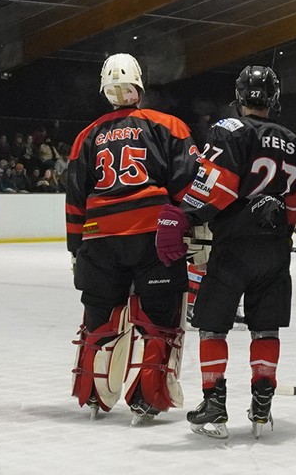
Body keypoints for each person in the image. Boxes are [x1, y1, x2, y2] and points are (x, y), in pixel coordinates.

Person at [155, 66, 296, 439]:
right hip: (274, 250)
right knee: (265, 327)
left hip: (233, 247)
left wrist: (183, 217)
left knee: (213, 325)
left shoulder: (229, 129)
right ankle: (262, 407)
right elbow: (293, 204)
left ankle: (215, 407)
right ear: (274, 97)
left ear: (240, 96)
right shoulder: (290, 138)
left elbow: (215, 188)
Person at [65, 53, 197, 423]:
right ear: (139, 83)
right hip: (153, 235)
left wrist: (76, 246)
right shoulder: (167, 124)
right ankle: (148, 397)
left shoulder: (85, 136)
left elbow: (75, 197)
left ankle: (93, 392)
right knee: (160, 321)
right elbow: (189, 184)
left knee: (99, 319)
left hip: (99, 239)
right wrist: (198, 229)